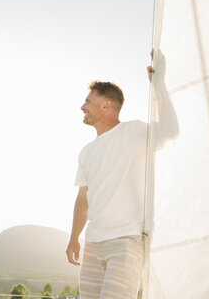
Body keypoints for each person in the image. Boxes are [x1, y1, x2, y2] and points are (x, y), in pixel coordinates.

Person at [65, 50, 178, 299]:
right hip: (92, 245)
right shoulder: (86, 152)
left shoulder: (134, 132)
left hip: (125, 243)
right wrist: (74, 238)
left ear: (106, 105)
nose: (82, 106)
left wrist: (159, 86)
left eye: (88, 101)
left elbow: (171, 130)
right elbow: (83, 200)